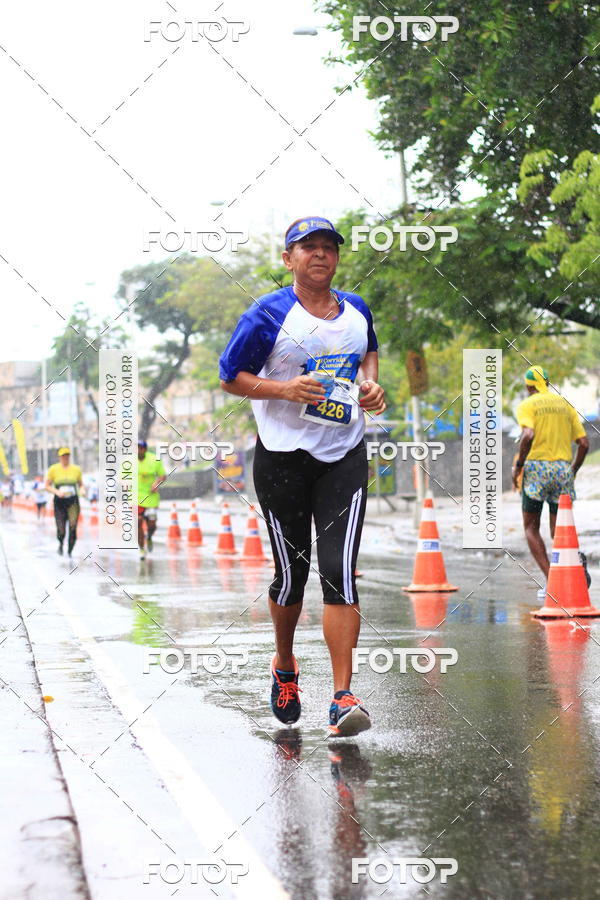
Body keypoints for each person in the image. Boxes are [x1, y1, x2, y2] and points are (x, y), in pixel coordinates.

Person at [219, 216, 386, 737]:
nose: (319, 255)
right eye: (306, 247)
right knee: (292, 575)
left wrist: (371, 387)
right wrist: (285, 391)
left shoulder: (356, 309)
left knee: (339, 571)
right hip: (283, 457)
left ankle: (342, 696)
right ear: (288, 258)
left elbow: (369, 354)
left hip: (343, 455)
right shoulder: (267, 314)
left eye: (328, 247)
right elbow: (231, 378)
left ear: (337, 257)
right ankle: (285, 664)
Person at [513, 365, 590, 597]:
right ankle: (574, 564)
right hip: (562, 470)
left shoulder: (528, 405)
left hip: (537, 470)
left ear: (529, 386)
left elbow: (527, 435)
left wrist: (519, 465)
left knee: (530, 527)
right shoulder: (565, 404)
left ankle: (552, 580)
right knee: (560, 531)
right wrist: (572, 470)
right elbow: (584, 443)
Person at [45, 448, 84, 556]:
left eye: (67, 455)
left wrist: (82, 490)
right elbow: (47, 486)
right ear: (59, 457)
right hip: (59, 502)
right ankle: (61, 543)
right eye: (63, 455)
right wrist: (57, 492)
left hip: (73, 501)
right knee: (61, 528)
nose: (65, 457)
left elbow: (81, 484)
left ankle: (70, 550)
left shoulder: (76, 469)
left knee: (73, 526)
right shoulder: (53, 469)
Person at [137, 440, 166, 560]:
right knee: (137, 522)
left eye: (140, 448)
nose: (138, 451)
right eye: (136, 448)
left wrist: (157, 483)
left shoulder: (154, 460)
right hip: (136, 498)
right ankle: (142, 549)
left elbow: (163, 476)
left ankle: (149, 536)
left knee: (152, 524)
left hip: (151, 497)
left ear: (145, 449)